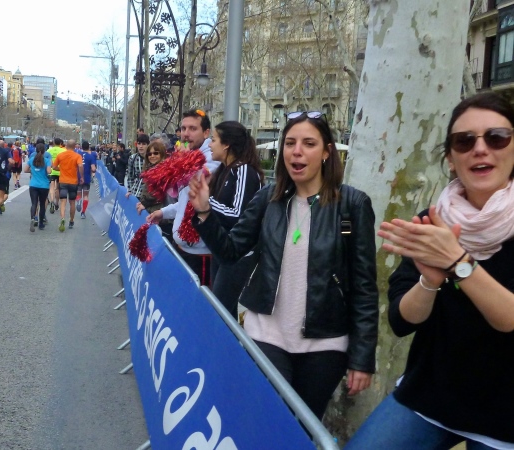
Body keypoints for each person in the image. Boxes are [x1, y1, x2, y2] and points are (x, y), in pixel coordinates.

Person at [346, 93, 514, 449]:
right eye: (464, 141)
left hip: (505, 416)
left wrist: (458, 262)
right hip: (429, 395)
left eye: (497, 137)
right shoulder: (432, 222)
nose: (480, 149)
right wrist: (429, 281)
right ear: (451, 159)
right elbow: (401, 321)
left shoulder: (446, 245)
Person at [188, 110, 378, 419]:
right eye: (290, 143)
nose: (297, 151)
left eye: (309, 143)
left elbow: (363, 285)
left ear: (327, 152)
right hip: (267, 335)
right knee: (270, 419)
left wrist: (362, 357)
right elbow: (231, 252)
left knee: (303, 428)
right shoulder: (269, 200)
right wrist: (205, 213)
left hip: (325, 344)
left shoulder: (351, 207)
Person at [146, 109, 221, 286]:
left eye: (193, 129)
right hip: (182, 246)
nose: (186, 134)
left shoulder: (212, 156)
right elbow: (184, 200)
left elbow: (195, 181)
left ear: (206, 133)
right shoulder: (187, 154)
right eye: (183, 128)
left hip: (200, 252)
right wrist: (163, 212)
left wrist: (180, 163)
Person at [206, 121, 265, 319]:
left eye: (214, 140)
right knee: (225, 313)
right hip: (221, 248)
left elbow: (237, 214)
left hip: (238, 254)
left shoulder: (244, 171)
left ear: (226, 145)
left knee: (219, 312)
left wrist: (206, 202)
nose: (210, 145)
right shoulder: (224, 170)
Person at [135, 140, 173, 239]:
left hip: (162, 216)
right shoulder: (150, 169)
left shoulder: (165, 170)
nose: (152, 156)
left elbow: (158, 192)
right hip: (153, 213)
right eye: (149, 154)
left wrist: (144, 203)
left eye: (156, 153)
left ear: (162, 154)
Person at [53, 139, 83, 231]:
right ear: (75, 146)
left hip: (63, 182)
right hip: (73, 182)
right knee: (72, 202)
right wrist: (81, 176)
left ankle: (62, 218)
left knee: (63, 201)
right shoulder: (77, 156)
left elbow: (54, 167)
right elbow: (80, 166)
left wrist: (61, 169)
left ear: (66, 146)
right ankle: (71, 220)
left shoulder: (60, 155)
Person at [25, 143, 52, 231]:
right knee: (42, 204)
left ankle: (33, 218)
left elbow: (25, 170)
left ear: (36, 150)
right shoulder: (46, 160)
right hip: (44, 185)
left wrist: (33, 171)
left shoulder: (32, 160)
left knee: (34, 203)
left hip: (33, 184)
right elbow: (49, 171)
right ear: (44, 151)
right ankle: (41, 224)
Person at [79, 140, 97, 219]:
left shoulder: (77, 155)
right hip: (86, 178)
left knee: (78, 194)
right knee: (86, 195)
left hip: (78, 177)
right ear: (88, 147)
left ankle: (78, 200)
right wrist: (93, 170)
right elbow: (93, 169)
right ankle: (83, 212)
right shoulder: (91, 156)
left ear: (81, 147)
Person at [47, 138, 65, 213]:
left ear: (54, 143)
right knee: (57, 188)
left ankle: (52, 200)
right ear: (61, 143)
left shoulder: (49, 150)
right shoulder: (63, 151)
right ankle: (57, 203)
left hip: (51, 171)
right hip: (60, 171)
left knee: (51, 187)